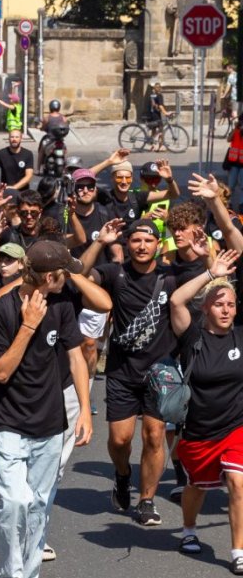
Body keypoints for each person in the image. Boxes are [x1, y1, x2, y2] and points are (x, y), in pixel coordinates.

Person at [0, 240, 92, 578]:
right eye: (66, 272)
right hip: (8, 420)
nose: (71, 277)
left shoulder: (62, 306)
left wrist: (87, 411)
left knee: (40, 504)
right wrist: (28, 326)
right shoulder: (0, 309)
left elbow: (76, 358)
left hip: (50, 422)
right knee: (14, 502)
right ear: (49, 276)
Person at [80, 218, 182, 526]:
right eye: (136, 240)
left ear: (158, 245)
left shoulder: (170, 278)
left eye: (148, 241)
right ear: (128, 244)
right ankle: (123, 475)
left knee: (154, 436)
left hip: (159, 374)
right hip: (122, 372)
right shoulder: (114, 273)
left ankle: (147, 500)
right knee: (120, 440)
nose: (141, 246)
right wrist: (99, 242)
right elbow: (79, 273)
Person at [169, 249, 243, 572]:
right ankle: (188, 529)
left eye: (230, 304)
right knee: (196, 487)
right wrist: (211, 274)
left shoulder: (241, 335)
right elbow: (175, 301)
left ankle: (238, 550)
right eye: (218, 303)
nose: (225, 310)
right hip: (199, 429)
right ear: (205, 307)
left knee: (239, 483)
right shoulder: (192, 336)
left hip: (236, 427)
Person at [0, 130, 34, 196]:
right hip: (5, 191)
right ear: (9, 138)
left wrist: (14, 188)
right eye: (12, 137)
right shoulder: (1, 153)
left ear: (21, 138)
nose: (14, 139)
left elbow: (29, 176)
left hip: (22, 193)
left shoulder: (28, 154)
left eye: (17, 137)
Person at [148, 82, 169, 151]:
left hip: (151, 114)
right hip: (156, 115)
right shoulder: (159, 95)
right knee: (161, 130)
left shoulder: (152, 95)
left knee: (154, 130)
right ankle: (160, 146)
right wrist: (166, 113)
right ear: (160, 88)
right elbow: (160, 106)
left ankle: (152, 145)